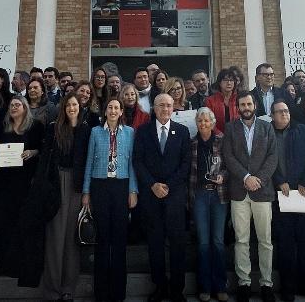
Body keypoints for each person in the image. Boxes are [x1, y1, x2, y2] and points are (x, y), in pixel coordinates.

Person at [134, 93, 193, 302]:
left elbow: (186, 164)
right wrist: (152, 184)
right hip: (151, 196)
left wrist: (168, 185)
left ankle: (177, 290)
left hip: (175, 197)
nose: (165, 109)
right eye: (161, 105)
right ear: (154, 108)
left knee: (177, 244)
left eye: (169, 105)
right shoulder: (142, 132)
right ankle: (159, 287)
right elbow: (138, 162)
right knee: (155, 244)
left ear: (173, 107)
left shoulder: (183, 132)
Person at [222, 93, 278, 302]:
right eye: (242, 104)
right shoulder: (230, 128)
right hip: (239, 191)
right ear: (238, 107)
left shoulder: (266, 127)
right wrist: (246, 177)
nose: (246, 107)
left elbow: (273, 156)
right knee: (241, 240)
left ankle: (266, 283)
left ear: (255, 105)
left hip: (262, 192)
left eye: (249, 104)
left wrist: (258, 179)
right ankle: (244, 283)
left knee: (265, 240)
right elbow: (228, 156)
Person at [82, 98, 139, 302]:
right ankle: (101, 291)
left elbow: (133, 162)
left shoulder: (130, 132)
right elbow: (89, 160)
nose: (113, 110)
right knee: (103, 239)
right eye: (110, 107)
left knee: (119, 239)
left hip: (121, 186)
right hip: (100, 186)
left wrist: (133, 190)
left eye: (117, 107)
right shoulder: (96, 132)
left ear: (121, 111)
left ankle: (118, 292)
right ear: (105, 111)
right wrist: (86, 191)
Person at [271, 100, 305, 302]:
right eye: (279, 112)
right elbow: (265, 160)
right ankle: (288, 288)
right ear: (272, 115)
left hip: (303, 195)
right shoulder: (267, 133)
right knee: (285, 244)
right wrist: (279, 181)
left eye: (286, 111)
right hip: (281, 196)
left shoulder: (304, 131)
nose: (284, 114)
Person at [39, 91, 90, 301]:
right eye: (68, 105)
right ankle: (52, 289)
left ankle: (68, 287)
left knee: (72, 238)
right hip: (56, 183)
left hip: (77, 186)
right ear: (63, 107)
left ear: (80, 107)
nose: (71, 108)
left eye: (75, 105)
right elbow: (45, 158)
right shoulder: (54, 128)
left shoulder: (86, 130)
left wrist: (87, 191)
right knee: (55, 237)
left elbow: (89, 160)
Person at [0, 94, 44, 276]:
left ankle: (20, 263)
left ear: (25, 107)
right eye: (11, 105)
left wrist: (33, 151)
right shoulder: (1, 128)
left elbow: (43, 149)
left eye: (17, 104)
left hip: (26, 184)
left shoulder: (35, 127)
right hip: (4, 184)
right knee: (4, 225)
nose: (13, 107)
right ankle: (3, 263)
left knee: (22, 225)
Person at [191, 107, 229, 302]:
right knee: (203, 243)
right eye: (200, 121)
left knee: (218, 241)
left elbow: (229, 165)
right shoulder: (192, 143)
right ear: (196, 123)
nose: (204, 124)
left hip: (218, 196)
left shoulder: (222, 141)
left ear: (213, 123)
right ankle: (204, 287)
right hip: (199, 196)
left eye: (207, 121)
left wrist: (223, 176)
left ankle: (220, 286)